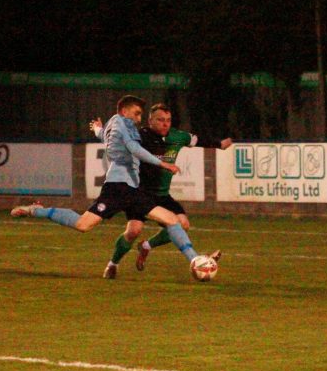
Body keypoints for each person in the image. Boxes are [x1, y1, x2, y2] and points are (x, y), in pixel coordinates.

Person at [11, 95, 213, 279]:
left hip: (132, 190)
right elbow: (134, 148)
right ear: (124, 112)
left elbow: (105, 136)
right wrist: (162, 163)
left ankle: (195, 260)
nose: (139, 118)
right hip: (116, 188)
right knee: (83, 225)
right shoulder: (121, 123)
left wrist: (98, 129)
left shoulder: (117, 126)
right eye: (136, 113)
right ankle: (38, 210)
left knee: (171, 219)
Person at [91, 103, 232, 272]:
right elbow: (113, 137)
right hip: (139, 194)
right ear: (150, 121)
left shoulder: (178, 137)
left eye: (168, 120)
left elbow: (198, 140)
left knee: (183, 224)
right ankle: (113, 264)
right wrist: (99, 130)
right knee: (134, 231)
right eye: (160, 120)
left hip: (162, 195)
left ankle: (147, 246)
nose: (165, 124)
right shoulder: (140, 136)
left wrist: (219, 144)